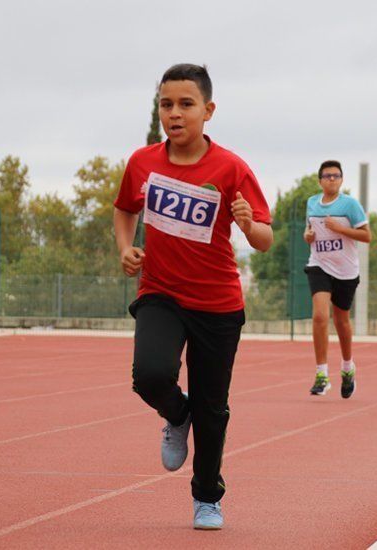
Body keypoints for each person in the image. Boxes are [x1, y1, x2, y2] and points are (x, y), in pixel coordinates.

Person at [113, 63, 273, 530]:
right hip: (160, 292)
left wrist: (247, 223)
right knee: (149, 376)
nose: (175, 113)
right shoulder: (142, 162)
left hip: (217, 303)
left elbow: (264, 239)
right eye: (166, 104)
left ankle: (207, 496)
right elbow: (124, 210)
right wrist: (126, 248)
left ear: (208, 110)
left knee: (214, 407)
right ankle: (175, 414)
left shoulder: (231, 167)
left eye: (186, 104)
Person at [303, 160, 370, 398]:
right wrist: (308, 236)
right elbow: (308, 231)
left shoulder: (350, 205)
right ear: (320, 180)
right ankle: (322, 374)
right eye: (327, 176)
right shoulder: (312, 202)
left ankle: (347, 367)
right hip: (319, 265)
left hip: (346, 270)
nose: (332, 179)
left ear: (341, 180)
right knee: (320, 316)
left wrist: (339, 228)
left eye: (336, 176)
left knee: (341, 321)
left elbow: (366, 235)